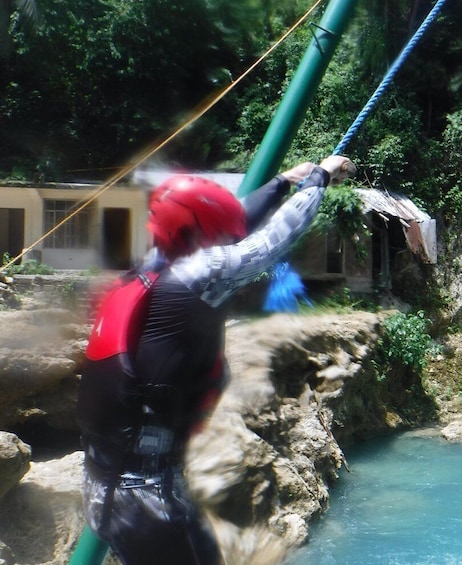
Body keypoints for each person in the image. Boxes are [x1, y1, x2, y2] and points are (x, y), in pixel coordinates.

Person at [76, 155, 356, 565]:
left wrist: (281, 182)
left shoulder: (154, 265)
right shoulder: (197, 273)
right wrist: (320, 177)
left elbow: (231, 221)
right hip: (142, 496)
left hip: (116, 482)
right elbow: (268, 243)